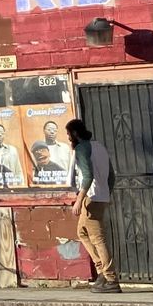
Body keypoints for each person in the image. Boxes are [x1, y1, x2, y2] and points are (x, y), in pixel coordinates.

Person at [66, 118, 117, 292]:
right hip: (101, 197)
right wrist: (106, 194)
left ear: (74, 133)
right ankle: (102, 270)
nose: (68, 138)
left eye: (68, 134)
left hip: (90, 197)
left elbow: (87, 176)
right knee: (82, 232)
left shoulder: (81, 148)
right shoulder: (99, 146)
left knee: (97, 237)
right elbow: (112, 176)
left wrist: (79, 200)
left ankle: (110, 278)